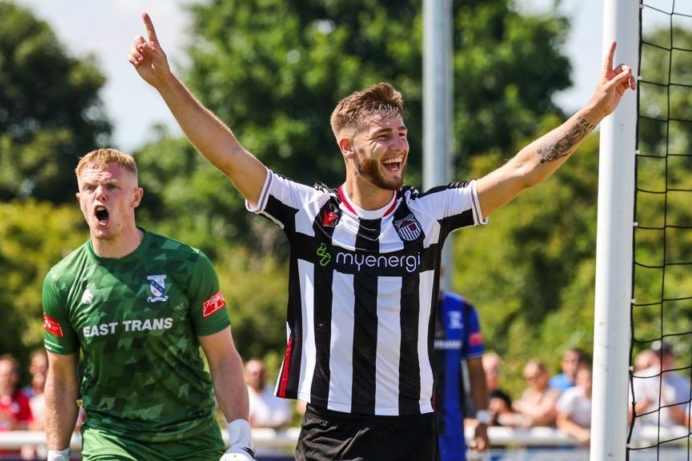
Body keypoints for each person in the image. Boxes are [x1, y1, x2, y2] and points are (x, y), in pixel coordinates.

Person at [128, 12, 635, 459]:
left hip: (412, 430)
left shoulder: (428, 213)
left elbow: (523, 171)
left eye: (404, 133)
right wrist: (165, 83)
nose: (400, 146)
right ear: (347, 147)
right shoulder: (309, 211)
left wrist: (593, 112)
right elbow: (228, 155)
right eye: (384, 136)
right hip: (331, 429)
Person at [42, 148, 254, 461]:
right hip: (111, 442)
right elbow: (60, 378)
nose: (100, 195)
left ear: (136, 197)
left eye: (112, 187)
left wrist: (240, 442)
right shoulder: (61, 281)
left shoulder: (187, 265)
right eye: (89, 188)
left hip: (192, 442)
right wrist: (56, 455)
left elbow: (222, 357)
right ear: (80, 200)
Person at [433, 289, 489, 460]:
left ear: (441, 269)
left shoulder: (462, 308)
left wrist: (482, 418)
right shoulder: (399, 303)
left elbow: (477, 369)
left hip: (452, 428)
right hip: (408, 425)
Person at [629, 341, 691, 438]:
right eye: (657, 355)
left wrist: (669, 404)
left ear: (672, 357)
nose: (661, 359)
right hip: (643, 440)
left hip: (674, 440)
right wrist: (647, 402)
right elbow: (627, 415)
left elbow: (688, 420)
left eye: (665, 355)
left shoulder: (683, 383)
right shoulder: (639, 379)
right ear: (653, 357)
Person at [508, 360, 561, 428]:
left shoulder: (554, 393)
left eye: (537, 375)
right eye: (530, 378)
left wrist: (521, 406)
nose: (534, 380)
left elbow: (543, 414)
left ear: (545, 373)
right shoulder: (527, 394)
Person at [244, 358, 292, 429]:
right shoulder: (240, 396)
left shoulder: (277, 395)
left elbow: (283, 420)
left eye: (261, 372)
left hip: (272, 439)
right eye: (254, 373)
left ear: (266, 374)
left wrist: (259, 426)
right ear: (246, 376)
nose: (258, 377)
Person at [555, 362, 592, 447]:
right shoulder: (571, 395)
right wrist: (580, 433)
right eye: (583, 380)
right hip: (572, 444)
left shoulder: (602, 397)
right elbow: (562, 421)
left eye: (590, 379)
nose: (587, 383)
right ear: (577, 380)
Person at [482, 352, 515, 426]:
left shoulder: (504, 397)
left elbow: (513, 424)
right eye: (489, 371)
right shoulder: (470, 396)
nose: (493, 375)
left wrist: (503, 411)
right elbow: (461, 421)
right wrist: (485, 419)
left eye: (496, 370)